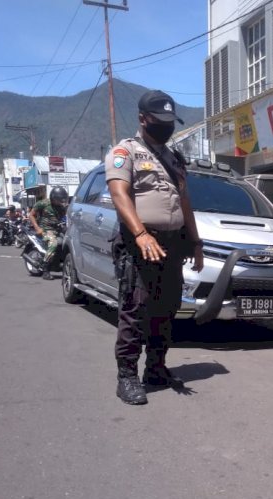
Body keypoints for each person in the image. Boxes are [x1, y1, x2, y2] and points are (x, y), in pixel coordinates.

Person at [105, 89, 204, 406]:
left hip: (172, 246)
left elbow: (184, 202)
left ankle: (156, 369)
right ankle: (127, 377)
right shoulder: (126, 151)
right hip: (141, 244)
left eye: (169, 121)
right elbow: (119, 194)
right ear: (142, 119)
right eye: (159, 120)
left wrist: (196, 241)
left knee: (166, 309)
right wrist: (140, 234)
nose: (165, 126)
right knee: (136, 310)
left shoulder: (174, 158)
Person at [28, 186, 69, 280]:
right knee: (54, 244)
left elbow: (67, 217)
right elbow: (31, 215)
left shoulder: (63, 206)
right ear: (53, 198)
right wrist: (37, 228)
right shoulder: (43, 203)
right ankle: (46, 269)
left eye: (63, 200)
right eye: (59, 200)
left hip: (58, 229)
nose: (61, 202)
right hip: (46, 230)